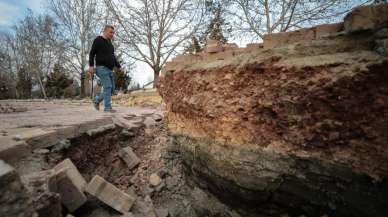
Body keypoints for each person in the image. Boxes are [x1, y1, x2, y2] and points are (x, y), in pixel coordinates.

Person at [88, 25, 121, 112]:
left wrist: (118, 66)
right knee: (108, 86)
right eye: (111, 32)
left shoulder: (110, 44)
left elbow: (113, 57)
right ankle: (107, 108)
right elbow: (92, 53)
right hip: (101, 67)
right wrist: (91, 65)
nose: (112, 34)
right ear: (105, 31)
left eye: (113, 32)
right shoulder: (98, 40)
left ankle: (97, 100)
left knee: (111, 89)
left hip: (110, 69)